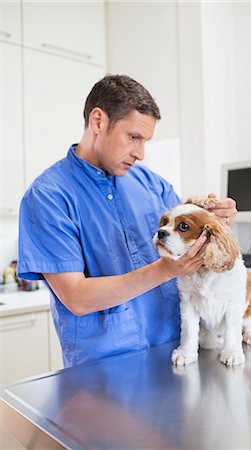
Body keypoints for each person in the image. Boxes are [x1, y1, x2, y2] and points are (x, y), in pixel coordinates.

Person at [18, 75, 237, 368]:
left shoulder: (152, 184)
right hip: (104, 369)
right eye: (133, 137)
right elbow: (76, 298)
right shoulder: (48, 197)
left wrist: (218, 225)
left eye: (145, 141)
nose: (140, 153)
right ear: (98, 122)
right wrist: (164, 270)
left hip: (177, 351)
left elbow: (187, 239)